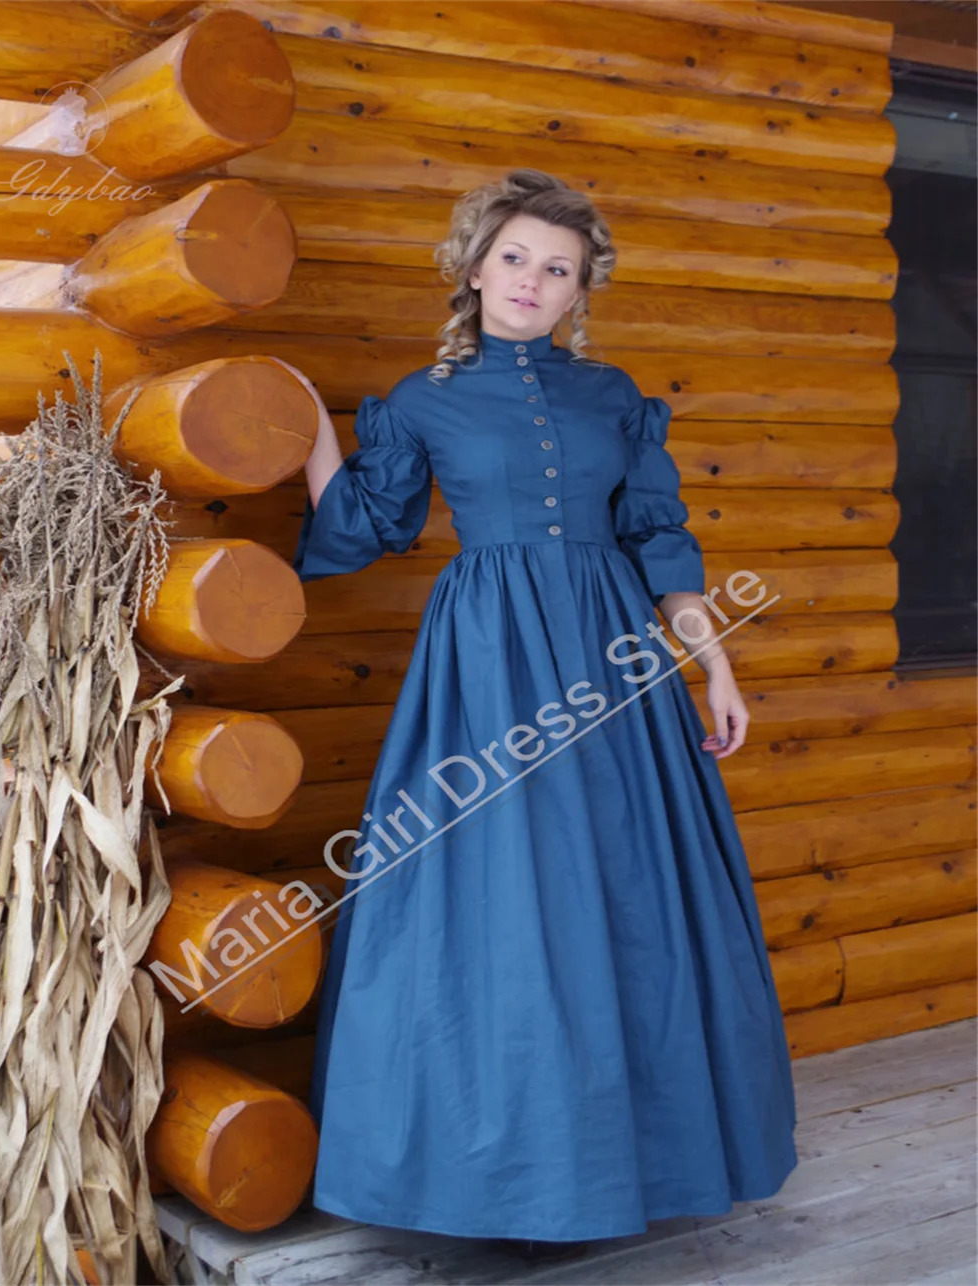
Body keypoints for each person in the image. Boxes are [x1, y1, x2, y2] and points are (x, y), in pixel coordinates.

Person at [292, 169, 798, 1263]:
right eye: (515, 257)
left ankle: (637, 1158)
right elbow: (363, 524)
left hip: (617, 661)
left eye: (557, 268)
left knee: (623, 888)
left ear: (580, 291)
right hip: (485, 669)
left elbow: (660, 545)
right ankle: (499, 1173)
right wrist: (300, 426)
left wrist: (712, 666)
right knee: (501, 898)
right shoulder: (421, 399)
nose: (532, 280)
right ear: (475, 268)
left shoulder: (613, 395)